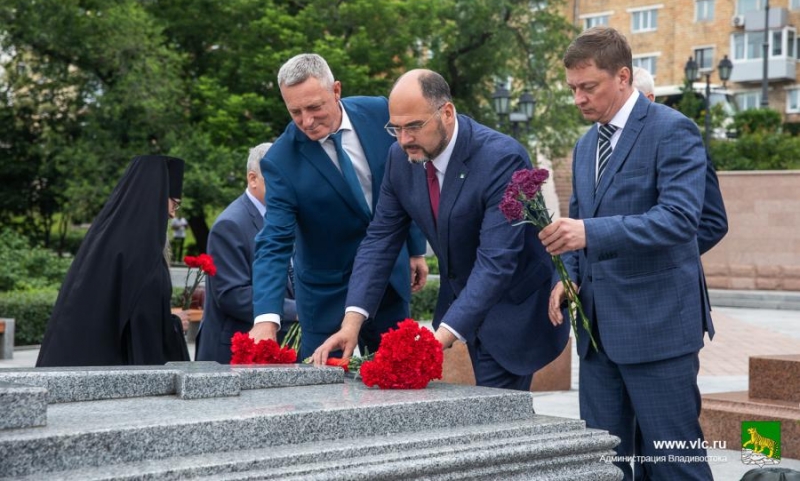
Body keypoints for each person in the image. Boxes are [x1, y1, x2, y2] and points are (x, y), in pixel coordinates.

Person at [311, 69, 569, 391]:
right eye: (396, 128)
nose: (404, 139)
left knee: (494, 426)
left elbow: (496, 261)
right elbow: (380, 239)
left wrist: (437, 341)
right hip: (460, 304)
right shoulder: (398, 158)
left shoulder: (502, 158)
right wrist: (351, 324)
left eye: (414, 126)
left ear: (446, 113)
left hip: (510, 311)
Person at [539, 27, 715, 480]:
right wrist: (569, 277)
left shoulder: (673, 130)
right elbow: (578, 223)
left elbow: (679, 220)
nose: (579, 98)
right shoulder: (583, 147)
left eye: (588, 87)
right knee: (605, 464)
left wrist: (589, 235)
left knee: (675, 464)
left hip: (658, 329)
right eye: (572, 89)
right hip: (597, 336)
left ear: (622, 76)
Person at [250, 53, 429, 360]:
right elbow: (274, 241)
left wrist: (415, 249)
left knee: (399, 380)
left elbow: (405, 180)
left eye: (314, 107)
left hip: (387, 280)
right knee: (322, 394)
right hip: (326, 294)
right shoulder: (280, 161)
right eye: (295, 112)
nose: (306, 120)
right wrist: (266, 318)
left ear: (336, 91)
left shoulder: (379, 113)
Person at [37, 155, 191, 367]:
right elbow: (143, 323)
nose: (173, 214)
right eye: (174, 204)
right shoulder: (142, 253)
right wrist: (174, 325)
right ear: (156, 197)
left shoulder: (107, 237)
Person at [196, 143, 298, 363]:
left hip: (276, 347)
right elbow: (233, 295)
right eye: (278, 180)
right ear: (253, 179)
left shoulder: (284, 218)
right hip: (234, 353)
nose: (287, 187)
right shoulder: (230, 225)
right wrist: (299, 310)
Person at [632, 66, 728, 254]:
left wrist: (670, 259)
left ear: (650, 99)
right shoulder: (597, 144)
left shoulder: (681, 140)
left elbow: (714, 223)